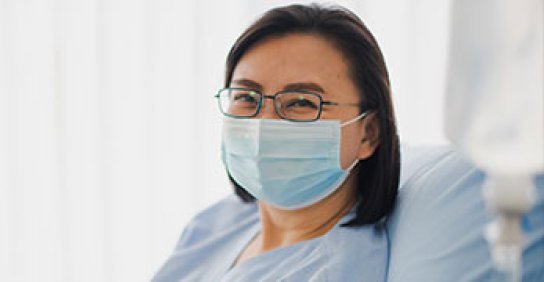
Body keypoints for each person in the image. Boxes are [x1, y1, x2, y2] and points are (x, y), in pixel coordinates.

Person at [153, 3, 400, 281]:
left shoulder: (337, 273)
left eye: (301, 102)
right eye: (246, 97)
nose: (264, 122)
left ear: (368, 133)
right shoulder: (218, 222)